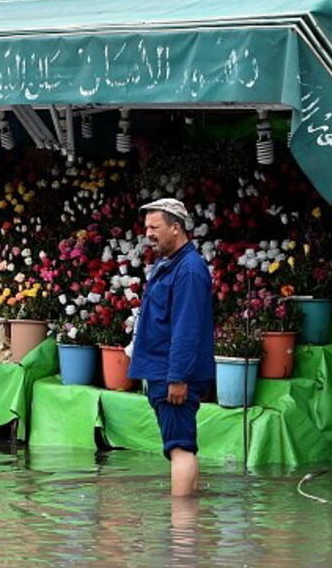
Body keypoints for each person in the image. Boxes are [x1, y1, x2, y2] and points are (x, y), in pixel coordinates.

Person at [128, 198, 214, 496]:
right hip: (164, 371)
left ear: (176, 228)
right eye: (146, 227)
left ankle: (181, 531)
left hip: (172, 375)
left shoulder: (188, 270)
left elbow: (187, 329)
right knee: (181, 445)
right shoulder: (172, 265)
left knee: (179, 448)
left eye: (155, 227)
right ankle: (188, 524)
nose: (148, 233)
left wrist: (177, 377)